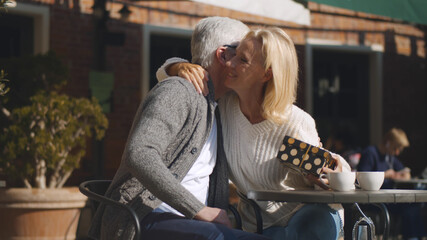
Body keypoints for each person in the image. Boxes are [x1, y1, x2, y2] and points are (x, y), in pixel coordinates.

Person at [157, 27, 352, 240]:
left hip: (306, 223)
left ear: (266, 73)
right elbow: (162, 75)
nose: (230, 63)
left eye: (242, 60)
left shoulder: (293, 122)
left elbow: (329, 172)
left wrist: (331, 170)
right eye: (233, 55)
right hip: (255, 228)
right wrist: (179, 66)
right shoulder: (224, 107)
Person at [88, 16, 269, 240]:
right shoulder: (179, 92)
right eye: (241, 56)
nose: (247, 63)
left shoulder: (221, 104)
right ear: (223, 55)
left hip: (190, 224)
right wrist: (198, 209)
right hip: (145, 215)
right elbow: (140, 154)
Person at [357, 128, 426, 240]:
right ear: (387, 142)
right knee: (410, 208)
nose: (397, 152)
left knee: (414, 206)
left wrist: (403, 174)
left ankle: (417, 237)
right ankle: (413, 237)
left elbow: (405, 171)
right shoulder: (370, 153)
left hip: (388, 197)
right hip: (374, 200)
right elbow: (361, 177)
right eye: (395, 148)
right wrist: (385, 175)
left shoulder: (389, 157)